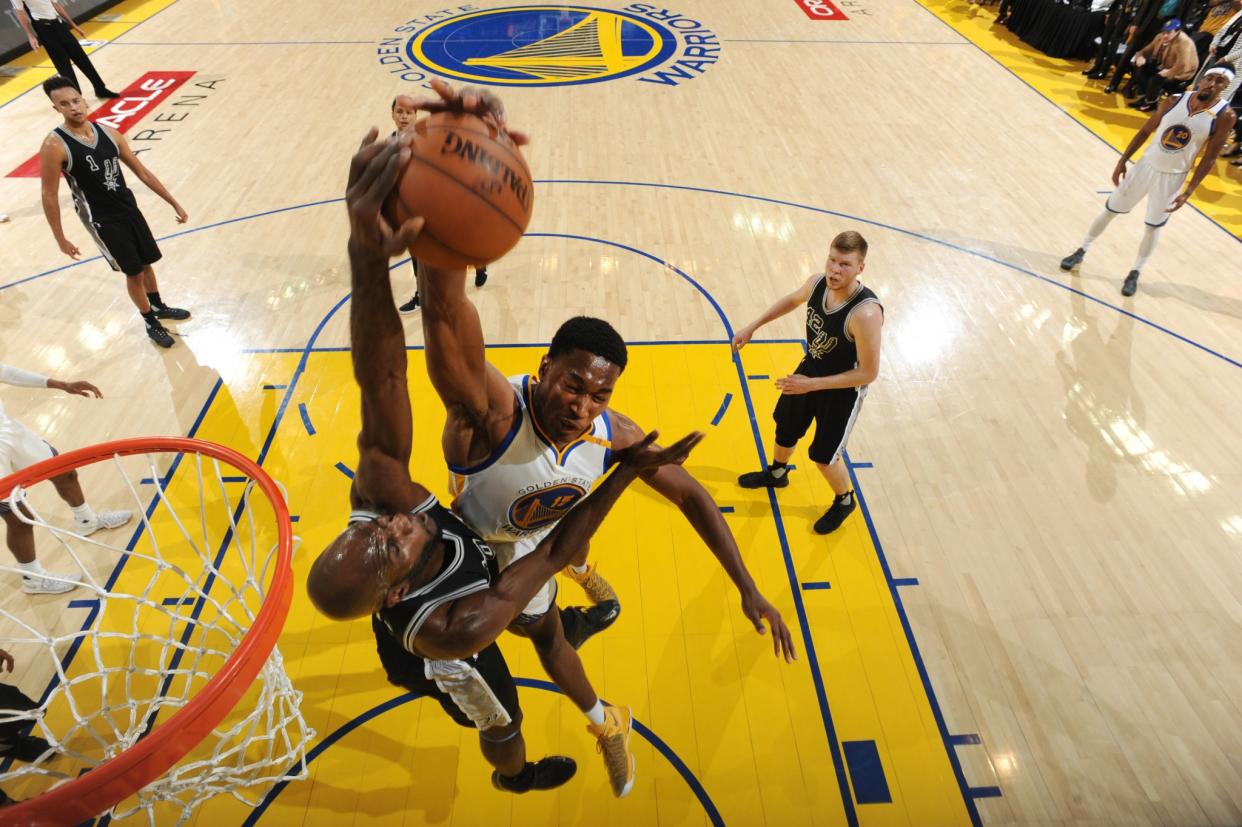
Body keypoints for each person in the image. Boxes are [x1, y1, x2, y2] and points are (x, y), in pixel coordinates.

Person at [306, 129, 705, 796]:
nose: (394, 522)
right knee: (503, 719)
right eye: (390, 542)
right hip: (449, 651)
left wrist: (368, 253)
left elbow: (383, 377)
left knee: (542, 614)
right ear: (398, 587)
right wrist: (624, 475)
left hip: (493, 559)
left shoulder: (383, 497)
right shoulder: (452, 629)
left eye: (370, 526)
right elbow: (551, 552)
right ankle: (517, 778)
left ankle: (584, 682)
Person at [733, 231, 885, 537]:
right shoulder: (817, 283)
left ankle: (844, 500)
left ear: (860, 268)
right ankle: (777, 473)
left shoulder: (866, 313)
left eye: (844, 264)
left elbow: (868, 373)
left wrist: (811, 386)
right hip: (809, 373)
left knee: (823, 457)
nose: (834, 270)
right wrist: (753, 326)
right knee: (785, 426)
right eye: (832, 260)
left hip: (843, 390)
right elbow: (792, 300)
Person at [37, 76, 191, 348]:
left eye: (76, 100)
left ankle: (158, 306)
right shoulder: (54, 146)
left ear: (83, 99)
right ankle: (149, 321)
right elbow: (49, 196)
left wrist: (174, 202)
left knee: (146, 263)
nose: (73, 107)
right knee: (133, 273)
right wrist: (60, 238)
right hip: (101, 219)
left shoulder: (109, 133)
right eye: (64, 104)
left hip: (129, 208)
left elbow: (141, 172)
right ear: (56, 109)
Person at [1059, 64, 1236, 296]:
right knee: (1110, 209)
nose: (1213, 84)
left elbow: (1210, 157)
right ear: (1201, 80)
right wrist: (1122, 161)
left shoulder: (1225, 116)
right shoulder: (1173, 100)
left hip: (1172, 178)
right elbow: (1144, 131)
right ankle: (1082, 249)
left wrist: (1189, 190)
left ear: (1226, 87)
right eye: (1210, 78)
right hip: (1144, 166)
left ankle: (1135, 271)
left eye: (1220, 82)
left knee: (1152, 227)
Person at [1, 363, 132, 594]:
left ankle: (86, 520)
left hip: (6, 431)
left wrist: (61, 384)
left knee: (65, 472)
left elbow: (6, 372)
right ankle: (33, 579)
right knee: (18, 517)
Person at [389, 94, 488, 315]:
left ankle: (478, 263)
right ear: (393, 115)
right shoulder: (389, 144)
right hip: (410, 208)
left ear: (416, 115)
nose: (404, 116)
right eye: (400, 112)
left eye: (408, 112)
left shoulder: (428, 139)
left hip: (436, 204)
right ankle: (421, 294)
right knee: (416, 251)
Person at [10, 0, 119, 99]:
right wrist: (30, 35)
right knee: (63, 65)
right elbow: (20, 13)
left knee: (81, 57)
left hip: (59, 24)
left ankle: (100, 89)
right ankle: (76, 98)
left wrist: (73, 25)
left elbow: (56, 5)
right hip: (43, 28)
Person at [1127, 20, 1200, 111]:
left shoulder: (1184, 43)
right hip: (1165, 66)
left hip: (1182, 72)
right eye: (1163, 32)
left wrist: (1169, 72)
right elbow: (1145, 50)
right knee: (1141, 69)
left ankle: (1151, 103)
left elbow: (1183, 65)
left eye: (1169, 33)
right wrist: (1140, 57)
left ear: (1177, 31)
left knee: (1155, 79)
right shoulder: (1160, 37)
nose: (1165, 35)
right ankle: (1147, 97)